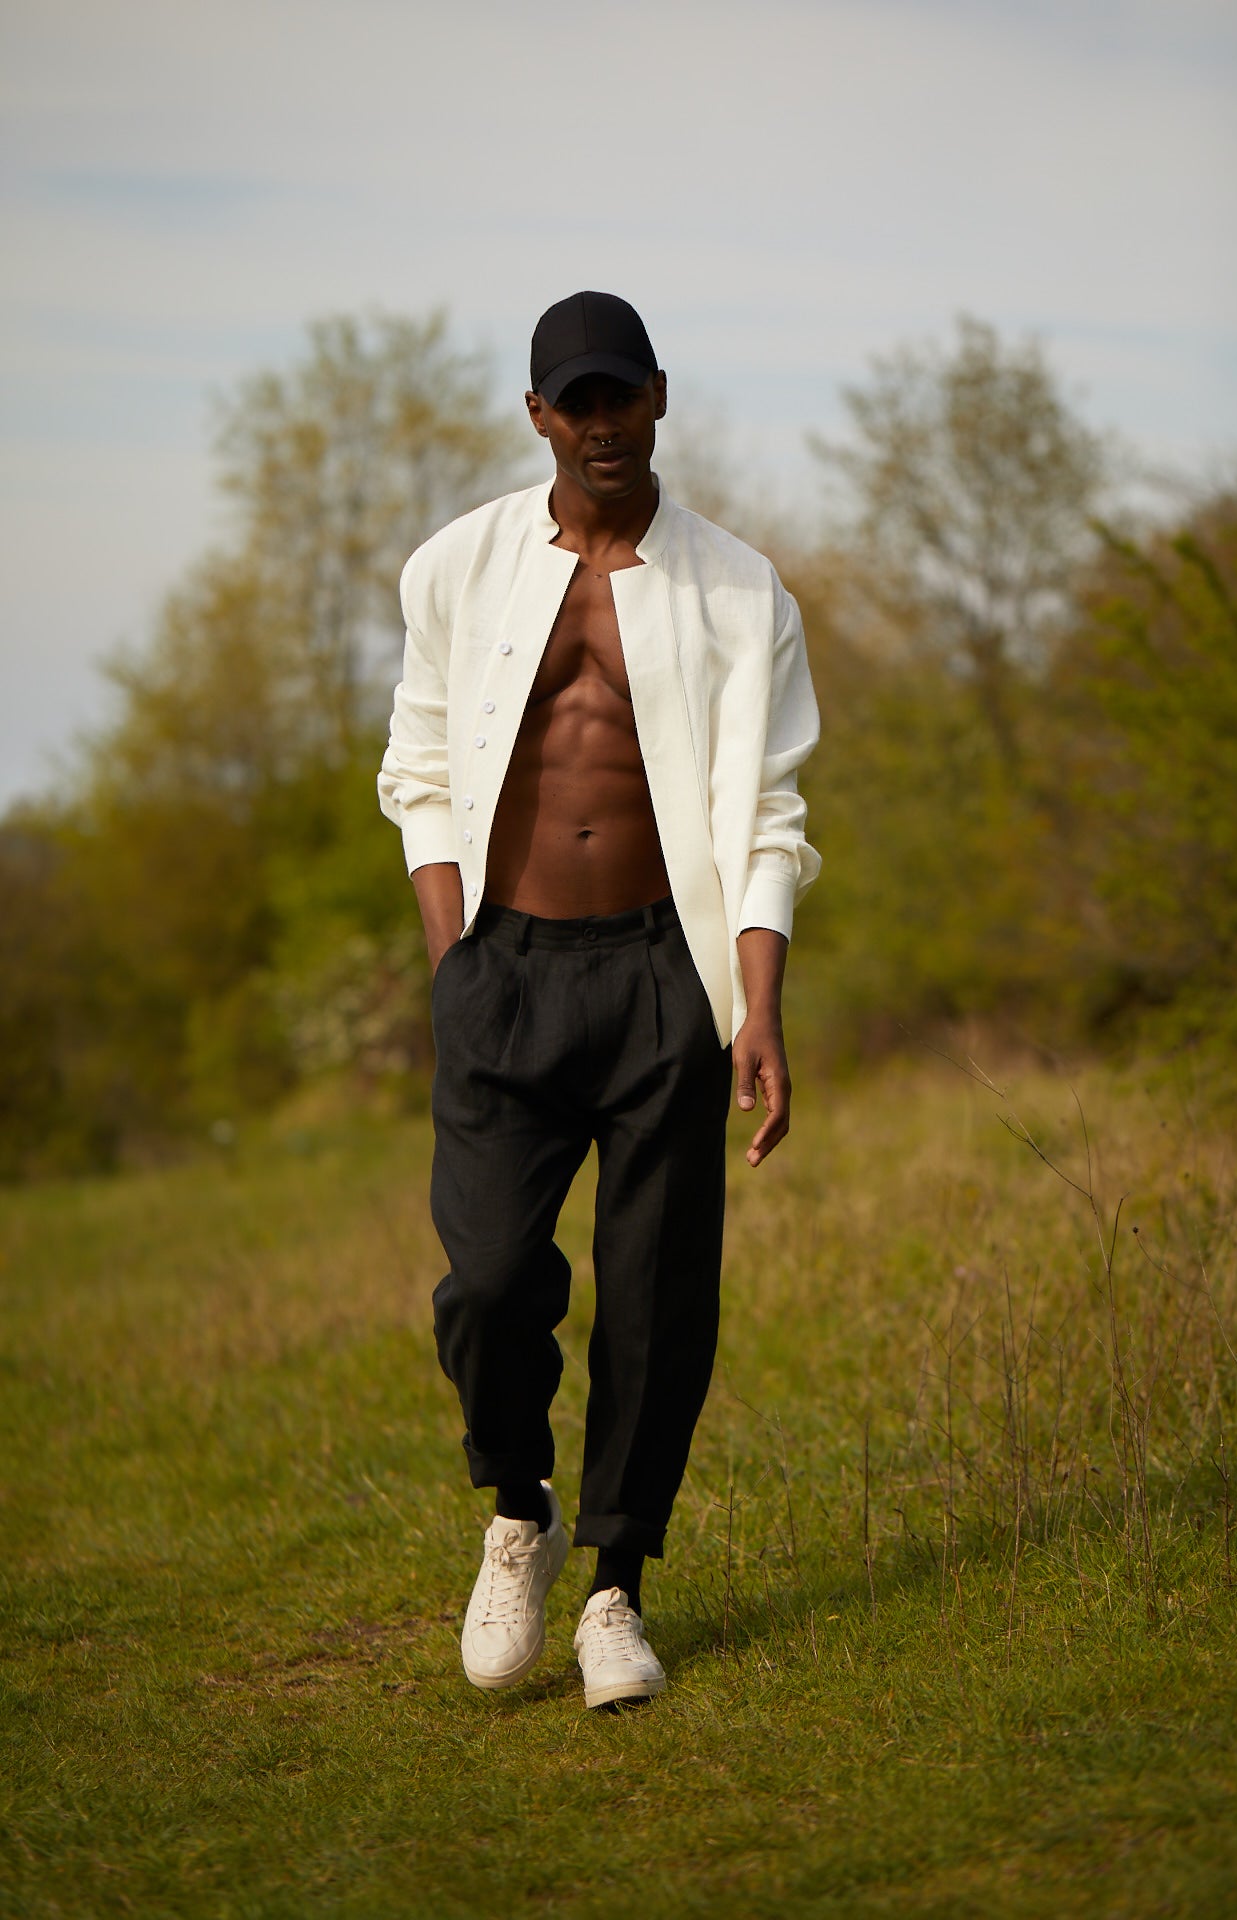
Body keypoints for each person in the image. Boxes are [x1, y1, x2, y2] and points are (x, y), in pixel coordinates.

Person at [377, 290, 819, 1709]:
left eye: (622, 394)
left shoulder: (741, 591)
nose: (603, 423)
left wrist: (757, 1004)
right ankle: (520, 1510)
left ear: (660, 396)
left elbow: (770, 814)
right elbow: (420, 771)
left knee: (655, 1295)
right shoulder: (456, 568)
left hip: (662, 974)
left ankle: (617, 1584)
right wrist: (454, 961)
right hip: (503, 970)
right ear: (538, 416)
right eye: (577, 401)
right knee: (491, 1284)